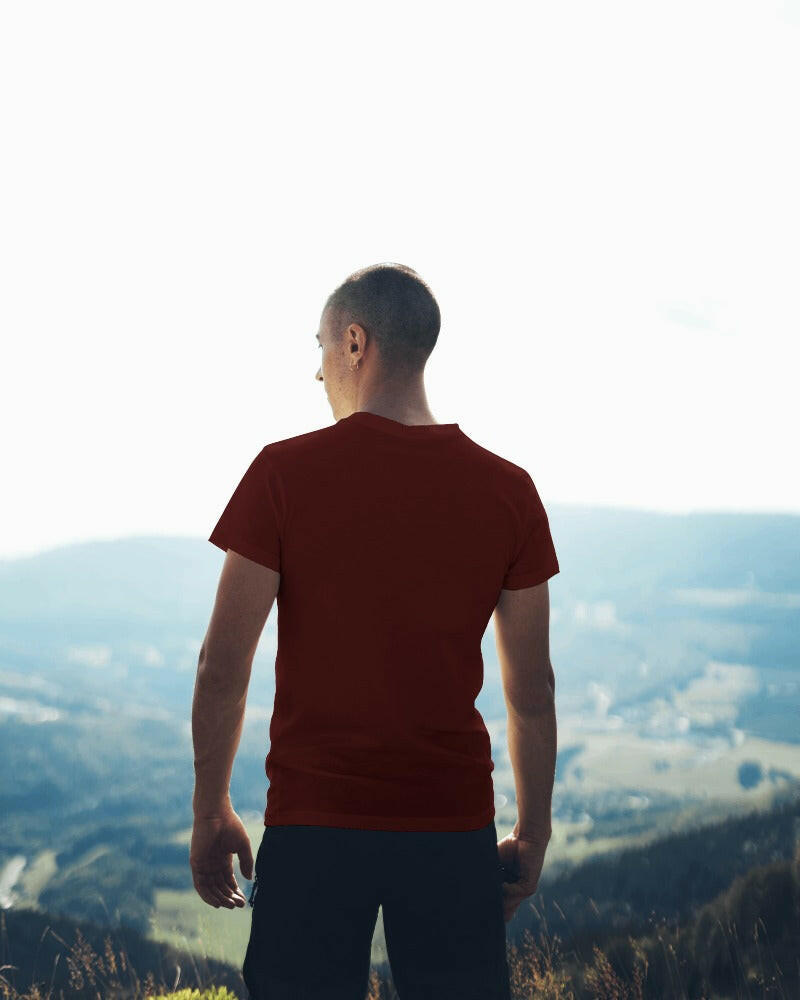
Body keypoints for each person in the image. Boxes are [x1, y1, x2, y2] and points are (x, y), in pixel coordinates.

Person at [191, 262, 559, 999]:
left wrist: (210, 810)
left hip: (312, 827)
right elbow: (531, 693)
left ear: (355, 343)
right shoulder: (508, 490)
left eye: (321, 346)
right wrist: (534, 833)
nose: (317, 369)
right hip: (452, 828)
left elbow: (220, 669)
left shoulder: (282, 474)